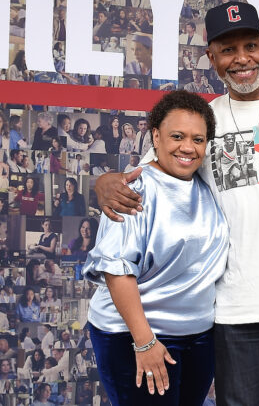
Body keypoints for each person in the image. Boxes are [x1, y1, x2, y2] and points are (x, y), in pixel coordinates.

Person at [95, 2, 259, 404]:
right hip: (230, 310)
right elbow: (141, 176)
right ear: (211, 58)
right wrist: (103, 183)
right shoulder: (202, 122)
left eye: (251, 45)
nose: (242, 59)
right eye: (228, 50)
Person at [83, 90, 228, 403]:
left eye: (198, 139)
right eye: (177, 136)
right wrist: (144, 341)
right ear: (156, 137)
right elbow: (117, 270)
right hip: (136, 336)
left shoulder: (204, 185)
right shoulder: (133, 188)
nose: (188, 147)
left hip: (198, 336)